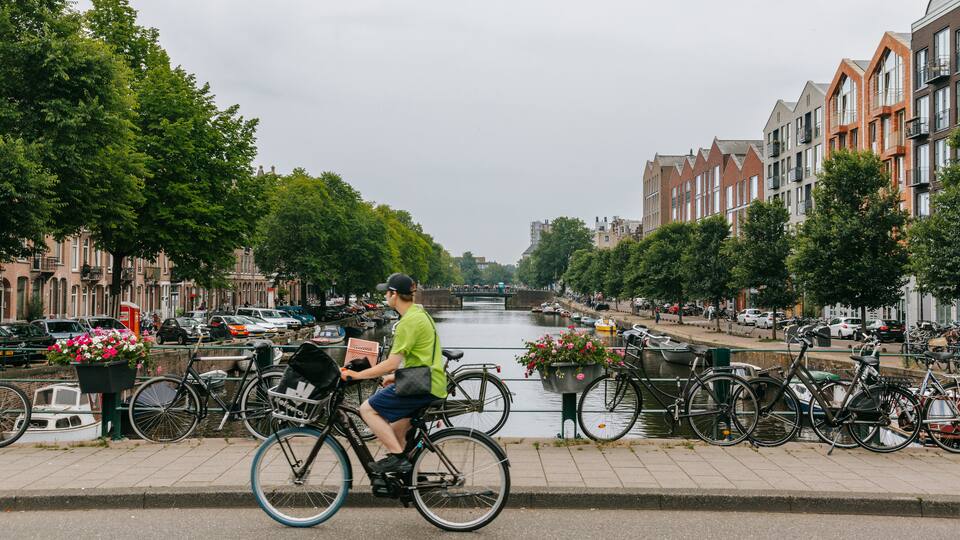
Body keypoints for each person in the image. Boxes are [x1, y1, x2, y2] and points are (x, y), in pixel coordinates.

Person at [340, 273, 447, 474]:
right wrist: (396, 377)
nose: (385, 296)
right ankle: (407, 477)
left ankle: (399, 460)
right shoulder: (420, 314)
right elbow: (422, 358)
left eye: (387, 292)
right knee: (396, 429)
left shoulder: (408, 322)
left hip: (423, 386)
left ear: (394, 294)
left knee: (367, 410)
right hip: (432, 381)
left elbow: (391, 363)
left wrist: (357, 376)